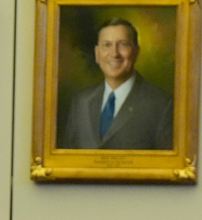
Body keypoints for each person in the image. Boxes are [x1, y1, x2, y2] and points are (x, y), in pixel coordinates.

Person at [60, 18, 173, 150]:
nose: (114, 54)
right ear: (97, 53)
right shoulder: (81, 102)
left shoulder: (161, 105)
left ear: (136, 52)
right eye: (107, 45)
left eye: (123, 44)